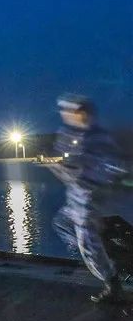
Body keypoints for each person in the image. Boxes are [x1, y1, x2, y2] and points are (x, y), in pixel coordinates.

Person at [51, 94, 129, 304]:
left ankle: (113, 284)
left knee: (88, 242)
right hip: (77, 199)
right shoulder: (72, 134)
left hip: (89, 199)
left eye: (68, 110)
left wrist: (76, 174)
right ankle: (108, 260)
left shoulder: (96, 137)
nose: (64, 114)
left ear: (81, 113)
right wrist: (64, 169)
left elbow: (108, 168)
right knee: (62, 223)